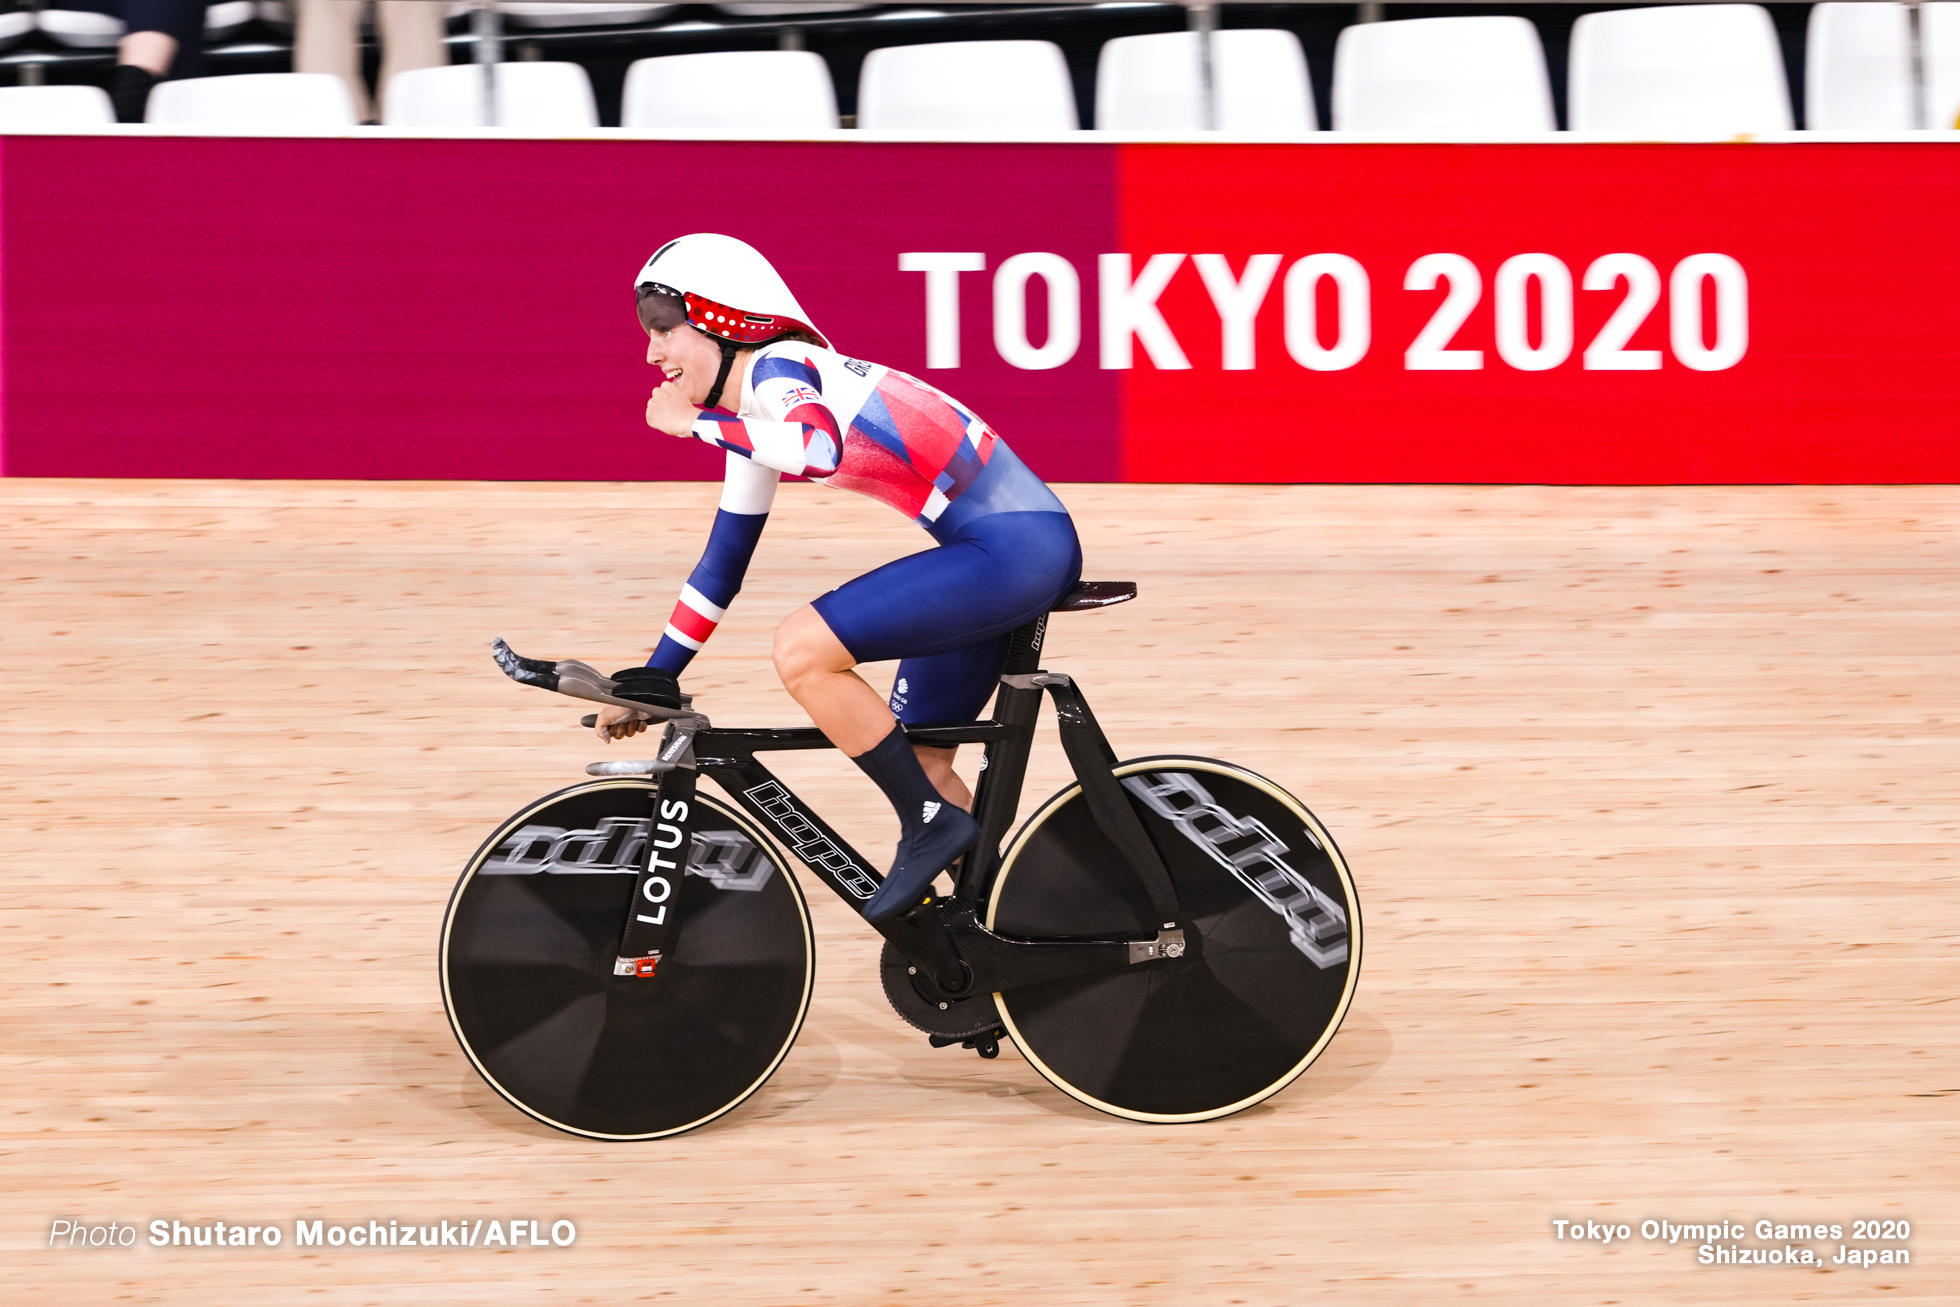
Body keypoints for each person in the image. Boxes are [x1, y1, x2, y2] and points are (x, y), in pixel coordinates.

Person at [594, 233, 1082, 922]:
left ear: (721, 319)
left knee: (801, 648)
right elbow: (723, 563)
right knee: (929, 763)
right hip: (1003, 547)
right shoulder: (754, 418)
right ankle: (1023, 933)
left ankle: (927, 823)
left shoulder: (782, 367)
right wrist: (657, 675)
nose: (651, 352)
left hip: (1015, 548)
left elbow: (817, 446)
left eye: (662, 328)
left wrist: (694, 423)